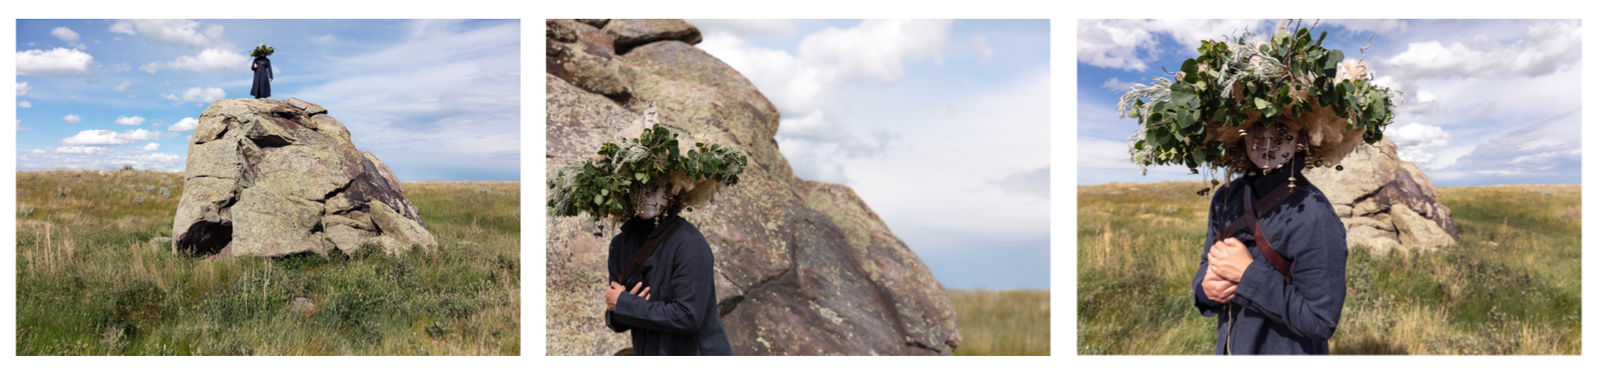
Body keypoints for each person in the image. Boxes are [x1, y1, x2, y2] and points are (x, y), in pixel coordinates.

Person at [1116, 22, 1399, 354]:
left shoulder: (1313, 214)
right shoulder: (1226, 198)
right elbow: (1206, 269)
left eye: (1283, 130)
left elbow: (1321, 320)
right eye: (1258, 129)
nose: (1268, 142)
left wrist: (1247, 274)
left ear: (1303, 140)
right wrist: (1204, 290)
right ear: (1240, 133)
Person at [547, 102, 746, 355]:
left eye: (656, 186)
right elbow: (615, 313)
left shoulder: (689, 243)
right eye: (638, 186)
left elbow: (688, 316)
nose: (645, 195)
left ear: (673, 190)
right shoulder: (621, 245)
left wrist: (627, 304)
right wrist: (620, 306)